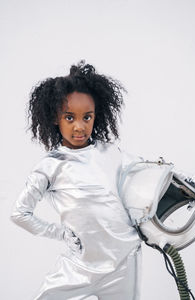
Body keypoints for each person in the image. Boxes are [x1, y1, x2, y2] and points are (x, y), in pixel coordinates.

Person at [11, 61, 143, 300]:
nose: (80, 126)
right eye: (70, 117)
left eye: (87, 117)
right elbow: (19, 213)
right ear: (55, 118)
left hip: (124, 261)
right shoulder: (50, 166)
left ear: (96, 116)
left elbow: (145, 176)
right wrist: (60, 233)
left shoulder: (112, 154)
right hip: (79, 267)